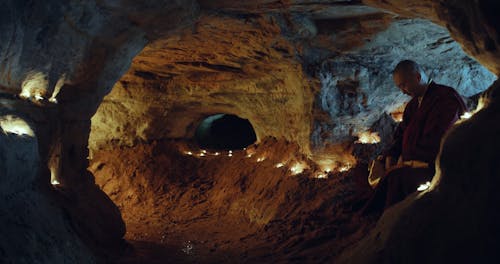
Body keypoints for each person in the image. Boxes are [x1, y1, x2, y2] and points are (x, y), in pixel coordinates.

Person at [362, 60, 467, 214]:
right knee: (368, 168)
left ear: (417, 77)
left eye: (404, 85)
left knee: (396, 178)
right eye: (399, 87)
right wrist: (392, 154)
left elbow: (439, 138)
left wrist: (406, 161)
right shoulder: (412, 105)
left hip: (433, 165)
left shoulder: (445, 98)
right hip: (409, 160)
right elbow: (400, 134)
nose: (403, 91)